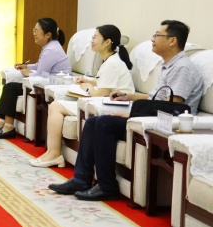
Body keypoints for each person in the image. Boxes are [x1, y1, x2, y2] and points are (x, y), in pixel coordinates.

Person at [50, 20, 204, 201]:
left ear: (172, 41)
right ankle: (81, 180)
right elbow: (155, 98)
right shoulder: (168, 65)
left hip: (168, 122)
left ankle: (107, 186)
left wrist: (132, 115)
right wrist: (129, 96)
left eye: (157, 35)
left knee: (105, 123)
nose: (153, 39)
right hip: (153, 115)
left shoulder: (183, 67)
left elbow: (173, 105)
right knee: (92, 122)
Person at [31, 25, 134, 167]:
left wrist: (87, 88)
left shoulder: (112, 63)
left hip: (112, 106)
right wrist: (89, 81)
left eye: (95, 37)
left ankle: (54, 154)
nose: (92, 41)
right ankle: (51, 152)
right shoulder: (110, 60)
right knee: (56, 105)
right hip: (106, 103)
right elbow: (105, 83)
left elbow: (101, 93)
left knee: (56, 106)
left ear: (107, 42)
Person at [0, 18, 71, 139]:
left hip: (53, 85)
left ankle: (8, 127)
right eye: (34, 30)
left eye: (36, 31)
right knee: (10, 87)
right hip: (47, 82)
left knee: (10, 88)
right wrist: (26, 66)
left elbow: (40, 74)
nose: (34, 34)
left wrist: (28, 73)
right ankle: (1, 124)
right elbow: (40, 65)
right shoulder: (51, 46)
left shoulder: (51, 49)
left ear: (48, 34)